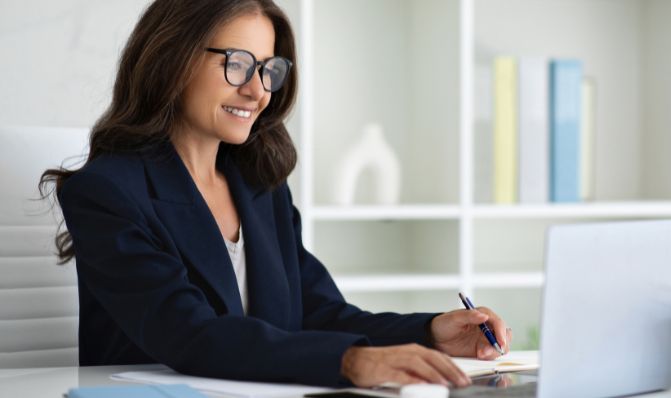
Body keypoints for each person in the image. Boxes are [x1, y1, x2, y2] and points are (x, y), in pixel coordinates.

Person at [40, 0, 511, 388]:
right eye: (237, 64)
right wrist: (348, 362)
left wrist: (430, 332)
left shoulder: (259, 185)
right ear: (173, 58)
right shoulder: (107, 192)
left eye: (268, 69)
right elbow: (189, 335)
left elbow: (318, 312)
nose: (257, 90)